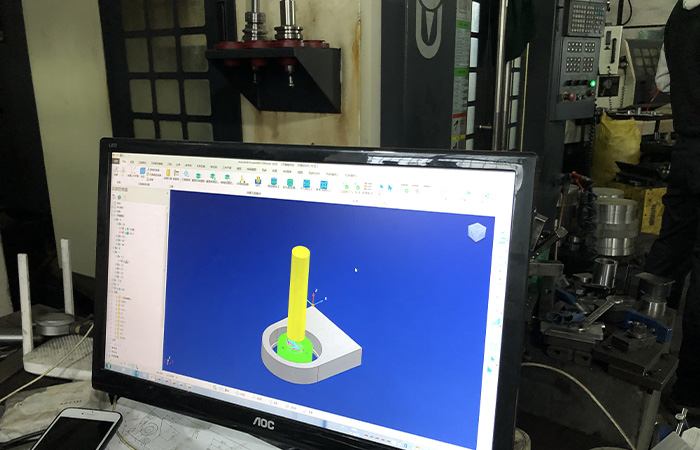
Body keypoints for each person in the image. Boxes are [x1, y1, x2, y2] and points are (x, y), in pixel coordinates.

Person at [644, 0, 700, 410]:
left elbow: (664, 81)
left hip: (687, 152)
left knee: (670, 249)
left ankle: (642, 356)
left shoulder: (679, 14)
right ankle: (691, 390)